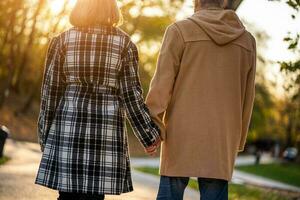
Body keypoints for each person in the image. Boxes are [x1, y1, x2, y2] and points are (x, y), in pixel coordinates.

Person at [35, 0, 161, 199]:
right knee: (95, 196)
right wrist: (148, 135)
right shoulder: (125, 44)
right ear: (112, 9)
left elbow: (50, 93)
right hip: (105, 134)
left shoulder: (62, 41)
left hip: (68, 129)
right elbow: (131, 96)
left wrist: (44, 134)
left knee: (66, 195)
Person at [146, 0, 257, 199]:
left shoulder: (179, 31)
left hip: (180, 134)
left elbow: (161, 85)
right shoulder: (247, 42)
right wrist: (237, 141)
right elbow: (248, 96)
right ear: (224, 2)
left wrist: (152, 125)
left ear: (196, 1)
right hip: (222, 137)